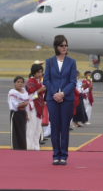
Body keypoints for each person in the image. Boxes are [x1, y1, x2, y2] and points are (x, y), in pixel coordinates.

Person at [43, 35, 77, 165]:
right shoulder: (49, 61)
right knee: (55, 128)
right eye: (62, 45)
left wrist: (62, 93)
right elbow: (46, 80)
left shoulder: (71, 62)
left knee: (64, 127)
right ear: (56, 47)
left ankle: (64, 155)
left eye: (66, 45)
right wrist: (54, 94)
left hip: (67, 98)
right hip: (52, 99)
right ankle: (55, 155)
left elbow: (73, 81)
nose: (64, 47)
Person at [25, 64, 46, 150]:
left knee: (37, 129)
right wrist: (40, 90)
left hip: (39, 107)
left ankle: (36, 147)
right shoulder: (30, 82)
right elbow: (30, 97)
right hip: (32, 107)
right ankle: (30, 147)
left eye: (41, 72)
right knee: (31, 128)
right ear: (34, 73)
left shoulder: (38, 81)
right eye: (38, 72)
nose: (40, 74)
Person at [8, 76, 29, 150]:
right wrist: (23, 104)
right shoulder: (12, 92)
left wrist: (26, 114)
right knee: (15, 131)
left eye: (21, 82)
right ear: (14, 83)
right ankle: (15, 148)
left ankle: (22, 148)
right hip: (16, 113)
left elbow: (26, 104)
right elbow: (14, 105)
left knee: (22, 131)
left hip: (22, 113)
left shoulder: (24, 91)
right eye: (18, 82)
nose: (20, 84)